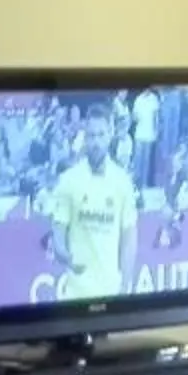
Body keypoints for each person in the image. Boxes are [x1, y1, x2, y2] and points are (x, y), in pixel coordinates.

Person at [39, 101, 140, 300]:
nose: (96, 142)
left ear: (110, 135)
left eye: (101, 135)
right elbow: (58, 232)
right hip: (75, 295)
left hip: (111, 293)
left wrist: (125, 288)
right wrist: (65, 255)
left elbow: (129, 239)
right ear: (85, 137)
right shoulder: (69, 180)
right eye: (92, 136)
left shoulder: (122, 182)